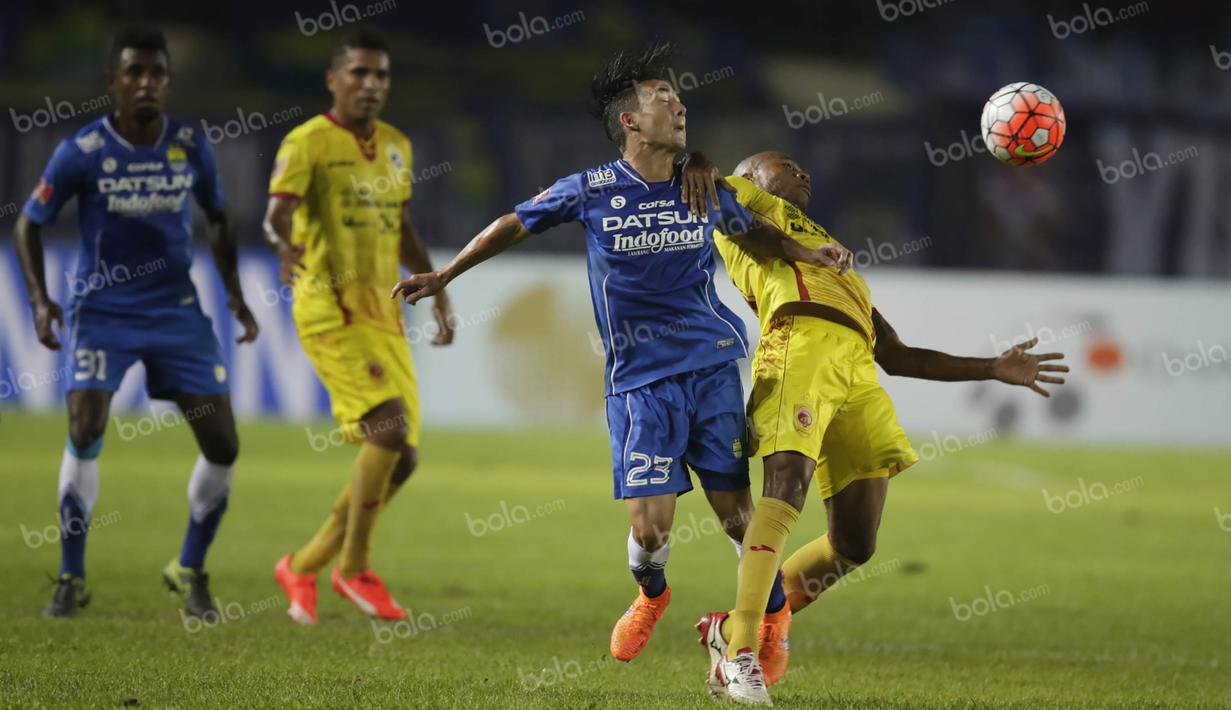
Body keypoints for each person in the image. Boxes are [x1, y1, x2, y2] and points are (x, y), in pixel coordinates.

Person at [391, 45, 849, 666]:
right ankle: (651, 595)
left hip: (711, 364)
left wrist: (804, 252)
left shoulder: (703, 186)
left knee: (743, 522)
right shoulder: (591, 189)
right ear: (630, 122)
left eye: (679, 98)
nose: (680, 105)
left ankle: (763, 642)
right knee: (651, 527)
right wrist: (446, 273)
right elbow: (513, 222)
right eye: (664, 99)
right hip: (639, 380)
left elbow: (751, 230)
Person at [690, 150, 1069, 705]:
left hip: (858, 370)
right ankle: (740, 650)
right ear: (749, 174)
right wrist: (699, 160)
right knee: (786, 489)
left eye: (805, 164)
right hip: (798, 345)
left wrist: (991, 368)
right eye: (788, 162)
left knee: (855, 542)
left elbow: (898, 354)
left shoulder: (839, 265)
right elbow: (724, 215)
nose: (805, 170)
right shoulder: (740, 197)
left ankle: (732, 626)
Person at [13, 27, 259, 620]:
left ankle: (189, 568)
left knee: (223, 443)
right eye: (135, 73)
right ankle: (70, 577)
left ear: (168, 82)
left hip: (175, 311)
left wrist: (233, 293)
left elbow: (220, 218)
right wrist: (41, 302)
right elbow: (28, 224)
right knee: (85, 423)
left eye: (157, 74)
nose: (146, 82)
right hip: (103, 312)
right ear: (114, 83)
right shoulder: (82, 150)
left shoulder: (188, 145)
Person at [265, 29, 454, 625]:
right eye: (359, 74)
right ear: (333, 80)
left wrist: (438, 284)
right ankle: (354, 567)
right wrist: (282, 246)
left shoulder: (397, 146)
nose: (371, 85)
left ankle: (302, 564)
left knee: (403, 457)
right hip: (329, 308)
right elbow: (276, 213)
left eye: (381, 77)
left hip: (384, 312)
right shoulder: (308, 142)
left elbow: (400, 225)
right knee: (389, 428)